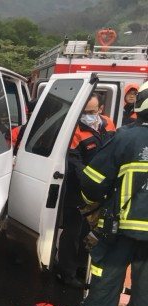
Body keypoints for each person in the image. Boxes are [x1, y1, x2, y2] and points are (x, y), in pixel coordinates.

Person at [77, 81, 148, 306]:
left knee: (105, 289)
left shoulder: (124, 138)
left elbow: (93, 182)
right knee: (145, 296)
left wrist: (91, 206)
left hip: (118, 232)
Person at [56, 93, 116, 288]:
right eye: (84, 112)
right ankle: (66, 273)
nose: (88, 116)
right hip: (77, 188)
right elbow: (74, 161)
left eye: (92, 112)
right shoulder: (75, 130)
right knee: (72, 231)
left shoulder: (108, 123)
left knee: (87, 230)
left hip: (100, 189)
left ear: (100, 110)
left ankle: (81, 265)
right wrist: (90, 181)